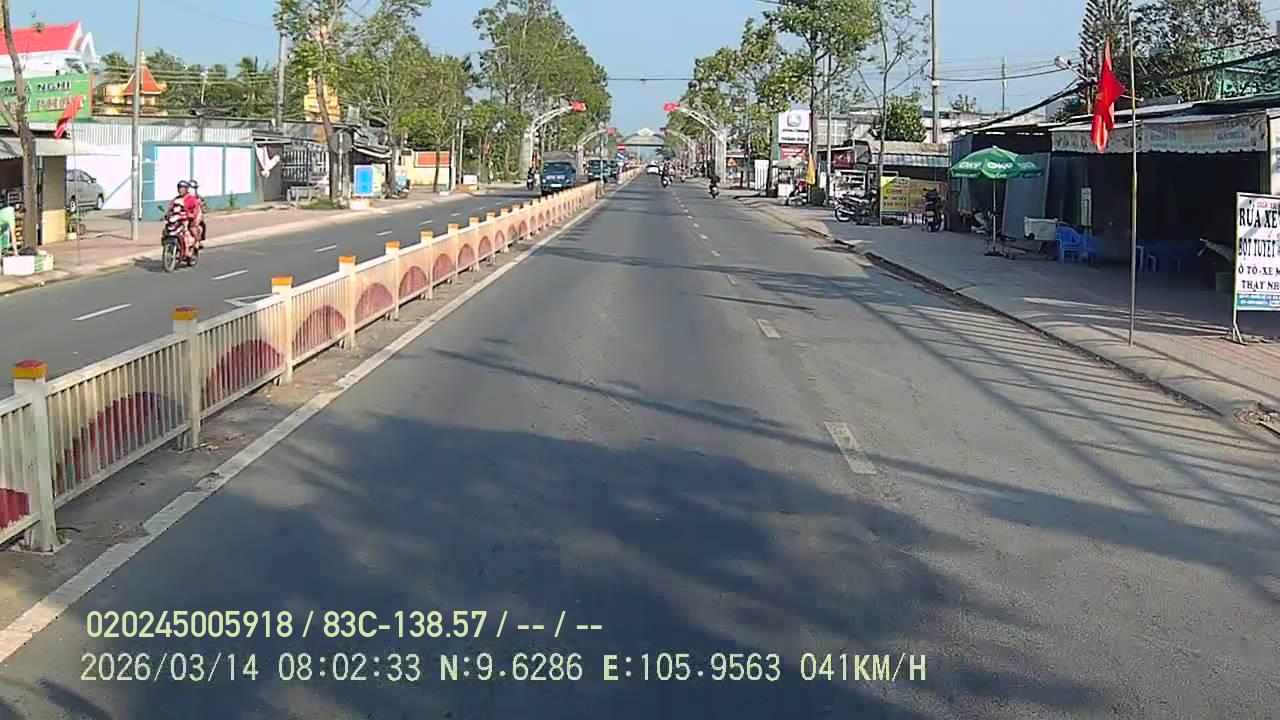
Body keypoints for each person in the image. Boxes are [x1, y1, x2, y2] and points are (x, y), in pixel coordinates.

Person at [185, 179, 206, 249]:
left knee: (201, 225)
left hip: (195, 216)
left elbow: (203, 208)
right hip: (184, 216)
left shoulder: (199, 198)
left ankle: (198, 240)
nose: (192, 190)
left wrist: (201, 209)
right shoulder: (183, 196)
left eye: (194, 188)